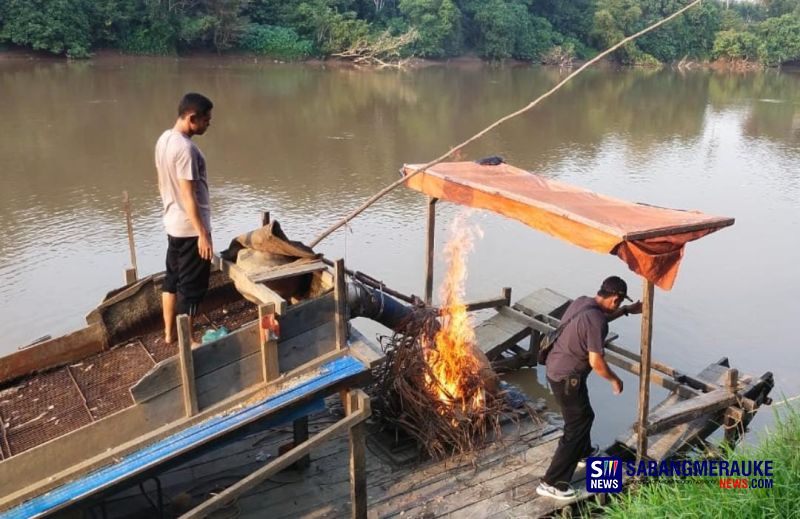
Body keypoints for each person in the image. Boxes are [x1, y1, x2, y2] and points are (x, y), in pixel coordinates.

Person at [536, 276, 643, 500]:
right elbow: (596, 362)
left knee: (583, 416)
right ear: (614, 298)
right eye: (618, 303)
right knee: (577, 425)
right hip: (567, 378)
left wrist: (625, 311)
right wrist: (615, 380)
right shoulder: (597, 321)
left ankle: (584, 452)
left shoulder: (583, 302)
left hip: (557, 370)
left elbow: (599, 317)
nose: (616, 305)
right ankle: (552, 483)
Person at [155, 92, 214, 345]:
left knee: (172, 281)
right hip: (190, 230)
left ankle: (169, 335)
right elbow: (188, 195)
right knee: (191, 288)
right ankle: (187, 341)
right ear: (192, 118)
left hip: (172, 223)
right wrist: (202, 234)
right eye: (206, 119)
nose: (209, 124)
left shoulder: (164, 139)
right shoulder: (186, 149)